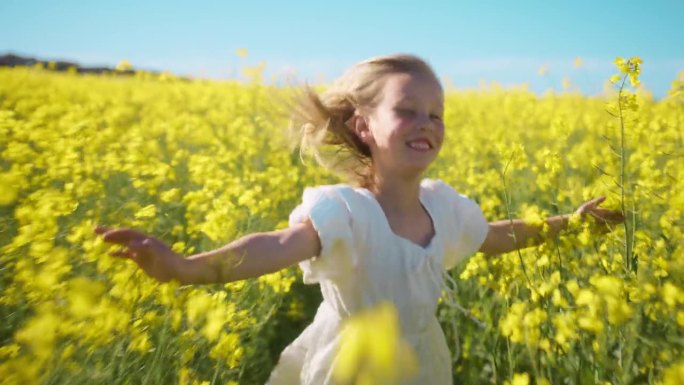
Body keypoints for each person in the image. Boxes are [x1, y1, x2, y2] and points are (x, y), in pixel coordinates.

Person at [94, 53, 625, 385]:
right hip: (351, 368)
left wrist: (569, 223)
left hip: (422, 367)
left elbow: (496, 237)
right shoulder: (345, 211)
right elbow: (276, 244)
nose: (427, 124)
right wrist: (184, 267)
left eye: (436, 114)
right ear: (362, 126)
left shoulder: (443, 206)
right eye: (408, 110)